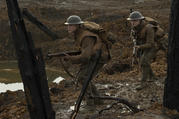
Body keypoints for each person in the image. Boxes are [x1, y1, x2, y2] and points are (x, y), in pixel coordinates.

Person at [63, 15, 111, 109]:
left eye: (71, 25)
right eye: (68, 25)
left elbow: (85, 56)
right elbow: (85, 51)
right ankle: (98, 100)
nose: (68, 27)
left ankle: (90, 103)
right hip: (94, 57)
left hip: (99, 58)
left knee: (83, 78)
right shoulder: (79, 34)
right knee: (86, 78)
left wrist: (71, 58)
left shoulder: (86, 37)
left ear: (77, 26)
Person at [127, 11, 168, 90]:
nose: (132, 22)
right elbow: (136, 39)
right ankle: (152, 77)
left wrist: (139, 47)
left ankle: (143, 83)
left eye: (135, 20)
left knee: (144, 61)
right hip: (144, 45)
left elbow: (151, 44)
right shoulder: (134, 29)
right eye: (131, 21)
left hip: (155, 45)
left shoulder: (149, 28)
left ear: (140, 20)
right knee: (141, 61)